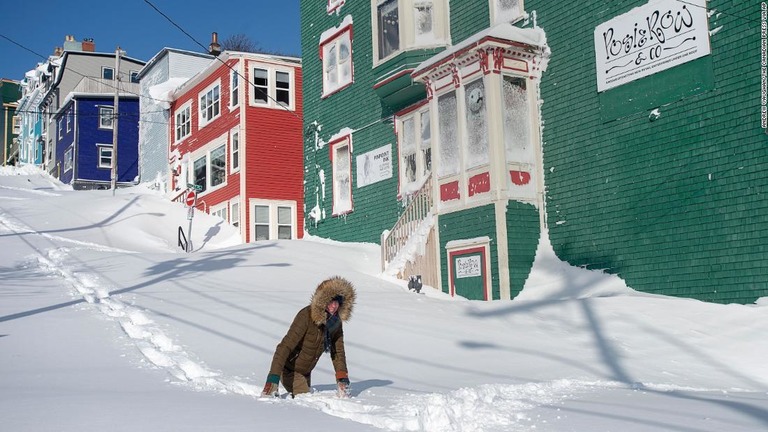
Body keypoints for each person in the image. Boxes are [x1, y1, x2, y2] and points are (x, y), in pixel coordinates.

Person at [261, 276, 356, 398]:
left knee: (307, 397)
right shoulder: (306, 316)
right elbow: (284, 347)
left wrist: (342, 378)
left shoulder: (335, 322)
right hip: (289, 370)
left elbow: (338, 352)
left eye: (337, 302)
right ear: (322, 301)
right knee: (305, 400)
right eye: (330, 301)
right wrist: (272, 380)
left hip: (306, 373)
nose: (334, 306)